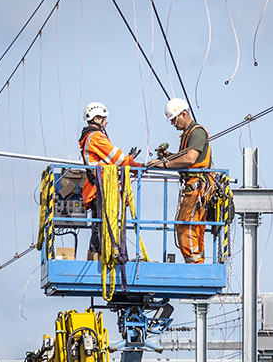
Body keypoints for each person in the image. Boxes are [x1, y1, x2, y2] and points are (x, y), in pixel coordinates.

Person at [148, 98, 212, 263]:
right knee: (194, 225)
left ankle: (194, 264)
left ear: (184, 114)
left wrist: (164, 164)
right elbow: (182, 157)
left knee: (185, 224)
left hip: (197, 186)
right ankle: (197, 262)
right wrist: (167, 156)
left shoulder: (197, 132)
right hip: (194, 185)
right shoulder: (188, 134)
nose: (172, 124)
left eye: (174, 120)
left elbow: (190, 159)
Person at [77, 102, 140, 260]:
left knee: (103, 224)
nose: (106, 122)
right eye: (104, 119)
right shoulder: (96, 137)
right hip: (101, 187)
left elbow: (112, 161)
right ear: (97, 119)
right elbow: (118, 159)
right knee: (102, 225)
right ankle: (100, 256)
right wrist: (135, 163)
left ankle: (101, 254)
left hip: (102, 186)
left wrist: (130, 162)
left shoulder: (92, 136)